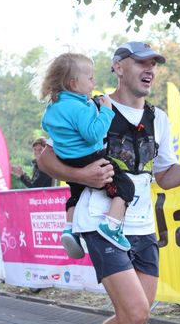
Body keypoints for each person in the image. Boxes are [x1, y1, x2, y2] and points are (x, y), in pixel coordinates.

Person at [39, 41, 180, 324]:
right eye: (140, 63)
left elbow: (165, 178)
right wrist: (82, 175)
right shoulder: (91, 106)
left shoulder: (158, 118)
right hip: (101, 221)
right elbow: (46, 157)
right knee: (132, 313)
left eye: (154, 64)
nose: (149, 70)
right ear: (118, 67)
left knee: (138, 320)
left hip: (143, 225)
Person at [40, 52, 136, 257]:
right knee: (126, 187)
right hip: (91, 158)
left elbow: (46, 126)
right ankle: (112, 225)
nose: (94, 82)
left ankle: (69, 229)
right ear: (74, 83)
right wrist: (107, 111)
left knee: (76, 193)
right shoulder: (79, 108)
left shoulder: (52, 107)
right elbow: (93, 135)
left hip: (67, 160)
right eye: (91, 78)